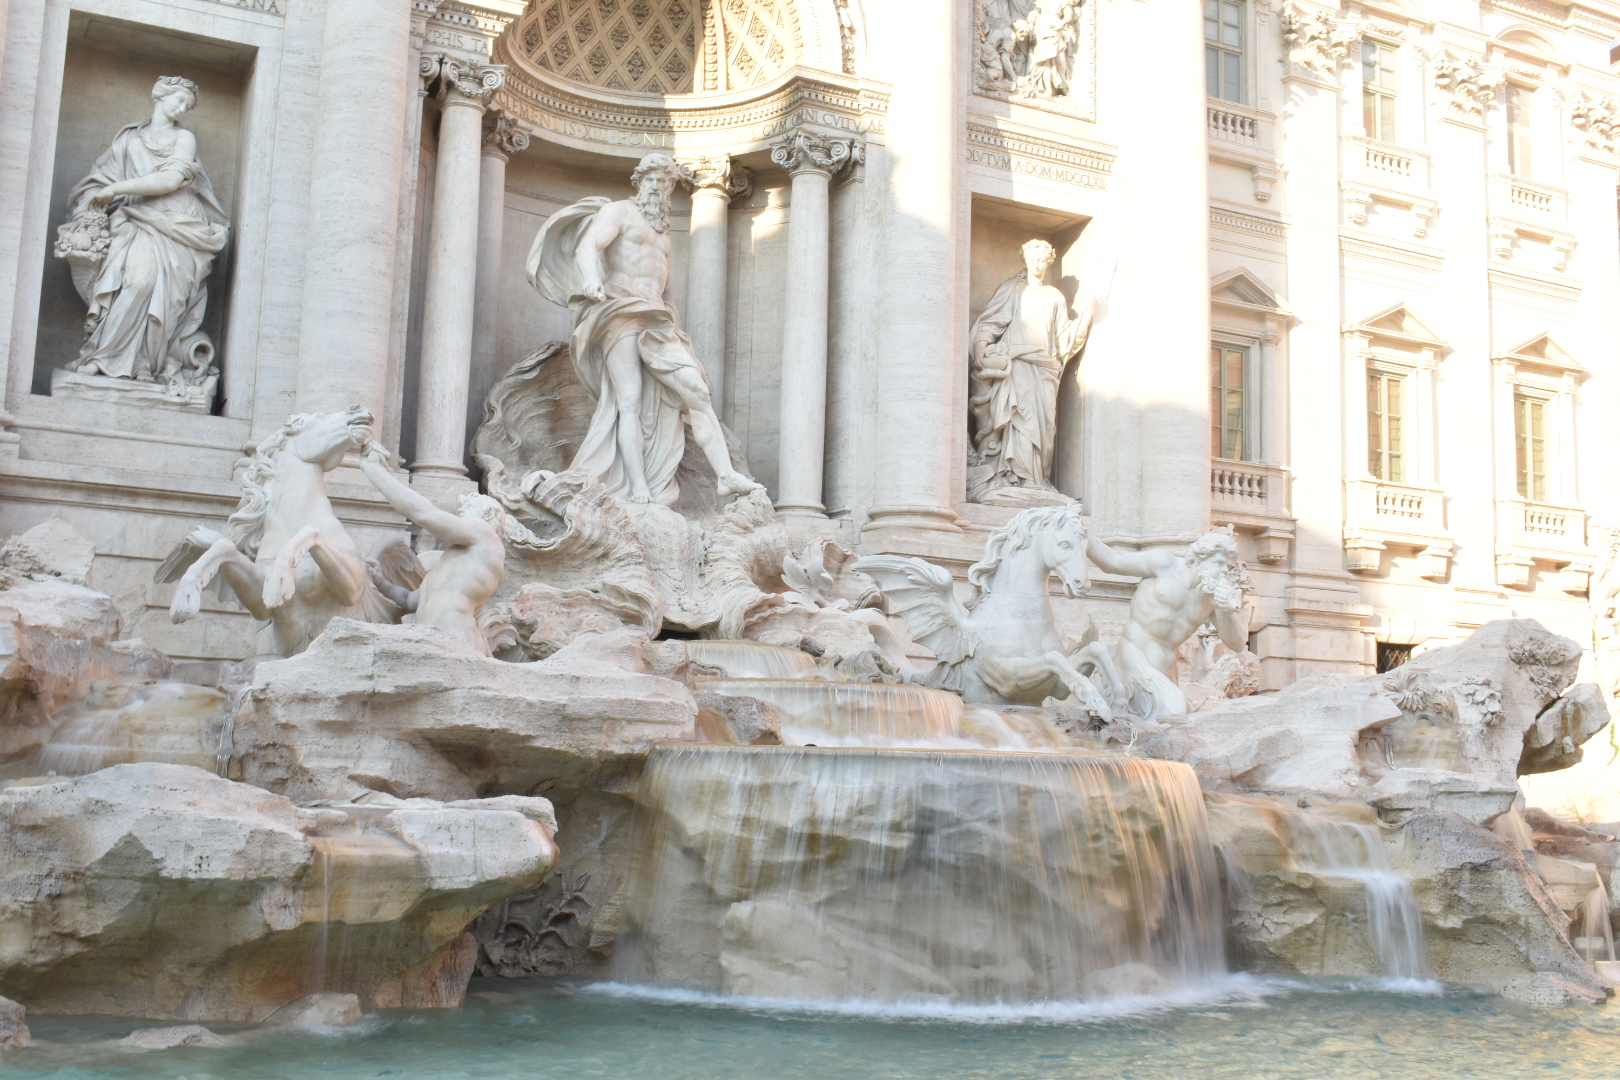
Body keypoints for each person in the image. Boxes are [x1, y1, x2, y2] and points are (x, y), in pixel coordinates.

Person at [526, 153, 761, 506]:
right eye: (653, 179)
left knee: (696, 391)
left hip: (657, 320)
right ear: (640, 181)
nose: (659, 187)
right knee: (629, 402)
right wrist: (591, 278)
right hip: (620, 311)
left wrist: (677, 330)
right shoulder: (618, 211)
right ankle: (638, 486)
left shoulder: (664, 234)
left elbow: (667, 290)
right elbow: (588, 245)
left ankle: (726, 476)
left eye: (666, 182)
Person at [63, 76, 228, 383]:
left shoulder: (184, 138)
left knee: (165, 298)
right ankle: (105, 357)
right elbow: (100, 177)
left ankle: (145, 364)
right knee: (137, 283)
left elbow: (168, 181)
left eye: (187, 105)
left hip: (177, 223)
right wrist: (95, 196)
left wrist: (113, 189)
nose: (181, 108)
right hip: (135, 218)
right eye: (177, 100)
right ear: (159, 96)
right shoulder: (128, 138)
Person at [1076, 526, 1251, 721]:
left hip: (1167, 671)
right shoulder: (1165, 564)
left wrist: (1225, 611)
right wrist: (1080, 530)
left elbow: (1237, 643)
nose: (1224, 571)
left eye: (1227, 566)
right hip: (1134, 657)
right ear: (1201, 558)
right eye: (1219, 563)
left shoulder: (1211, 600)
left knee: (1172, 722)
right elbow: (1112, 562)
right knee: (1173, 712)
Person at [968, 239, 1095, 495]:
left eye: (1042, 260)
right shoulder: (1013, 288)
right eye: (1032, 259)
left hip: (1045, 367)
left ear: (1049, 262)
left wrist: (1085, 317)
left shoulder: (1055, 297)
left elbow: (1062, 340)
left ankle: (1037, 478)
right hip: (1017, 364)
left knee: (1044, 425)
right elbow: (992, 321)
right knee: (1019, 419)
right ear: (1025, 260)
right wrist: (982, 345)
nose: (1037, 265)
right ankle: (1014, 476)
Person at [358, 441, 507, 654]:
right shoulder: (452, 563)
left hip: (454, 637)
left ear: (488, 515)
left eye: (470, 505)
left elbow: (424, 514)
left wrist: (374, 470)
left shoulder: (484, 533)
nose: (462, 508)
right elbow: (408, 601)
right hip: (433, 637)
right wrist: (380, 580)